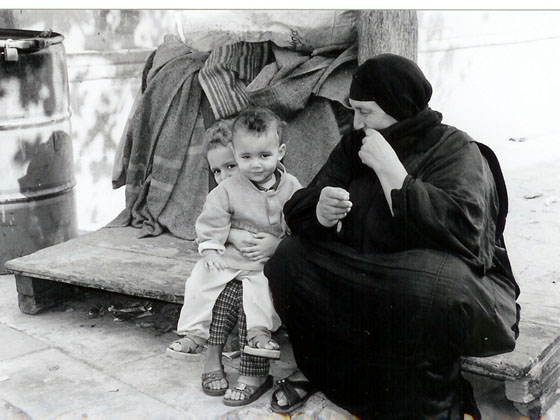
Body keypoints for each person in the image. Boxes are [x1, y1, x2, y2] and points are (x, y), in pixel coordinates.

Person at [264, 53, 520, 420]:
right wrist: (319, 212)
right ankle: (330, 377)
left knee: (434, 285)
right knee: (290, 258)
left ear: (398, 106)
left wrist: (395, 178)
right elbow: (302, 204)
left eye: (365, 112)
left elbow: (468, 236)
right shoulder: (355, 144)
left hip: (436, 288)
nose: (356, 123)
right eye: (353, 110)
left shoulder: (455, 149)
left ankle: (427, 403)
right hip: (369, 278)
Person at [169, 109, 302, 404]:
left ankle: (258, 337)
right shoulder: (228, 190)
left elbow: (301, 223)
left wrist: (278, 243)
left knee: (258, 291)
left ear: (280, 153)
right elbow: (210, 223)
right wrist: (212, 247)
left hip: (265, 264)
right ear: (239, 153)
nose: (254, 165)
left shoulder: (291, 187)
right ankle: (195, 334)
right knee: (201, 280)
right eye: (245, 158)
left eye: (263, 156)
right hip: (231, 260)